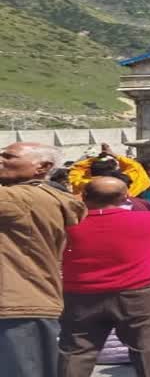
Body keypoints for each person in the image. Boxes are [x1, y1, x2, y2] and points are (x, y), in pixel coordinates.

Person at [58, 177, 150, 376]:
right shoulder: (148, 219)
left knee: (77, 351)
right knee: (148, 349)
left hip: (81, 293)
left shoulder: (67, 225)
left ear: (83, 196)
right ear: (125, 197)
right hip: (139, 292)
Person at [0, 142, 86, 377]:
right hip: (27, 304)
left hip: (17, 307)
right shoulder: (42, 197)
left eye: (9, 156)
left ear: (43, 167)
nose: (1, 160)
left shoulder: (21, 198)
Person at [68, 143, 150, 198]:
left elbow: (77, 168)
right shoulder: (125, 184)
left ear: (91, 171)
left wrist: (95, 159)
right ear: (115, 170)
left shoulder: (81, 184)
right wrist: (113, 154)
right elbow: (136, 168)